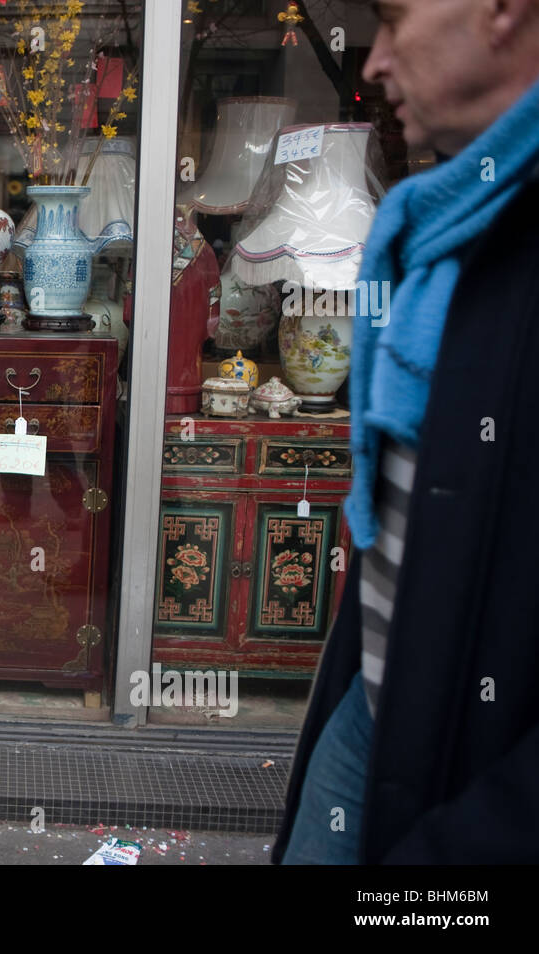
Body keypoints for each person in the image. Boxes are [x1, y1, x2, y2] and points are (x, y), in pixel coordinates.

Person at [276, 0, 539, 864]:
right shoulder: (459, 217)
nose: (375, 61)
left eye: (392, 19)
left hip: (474, 776)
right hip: (378, 710)